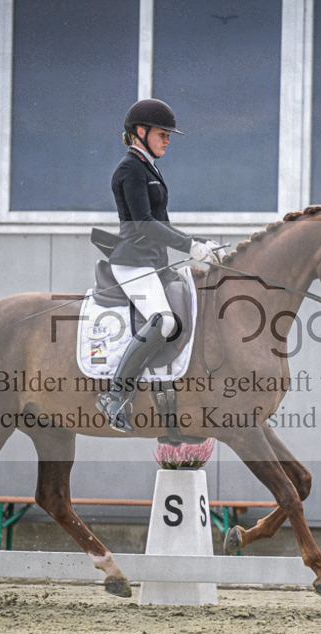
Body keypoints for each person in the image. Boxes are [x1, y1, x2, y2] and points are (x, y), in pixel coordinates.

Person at [95, 98, 221, 433]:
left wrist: (199, 244)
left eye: (169, 134)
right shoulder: (129, 170)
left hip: (154, 261)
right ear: (140, 132)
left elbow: (161, 222)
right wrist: (190, 246)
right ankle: (114, 396)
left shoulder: (149, 167)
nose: (168, 139)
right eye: (162, 133)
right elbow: (145, 225)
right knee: (164, 321)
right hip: (133, 263)